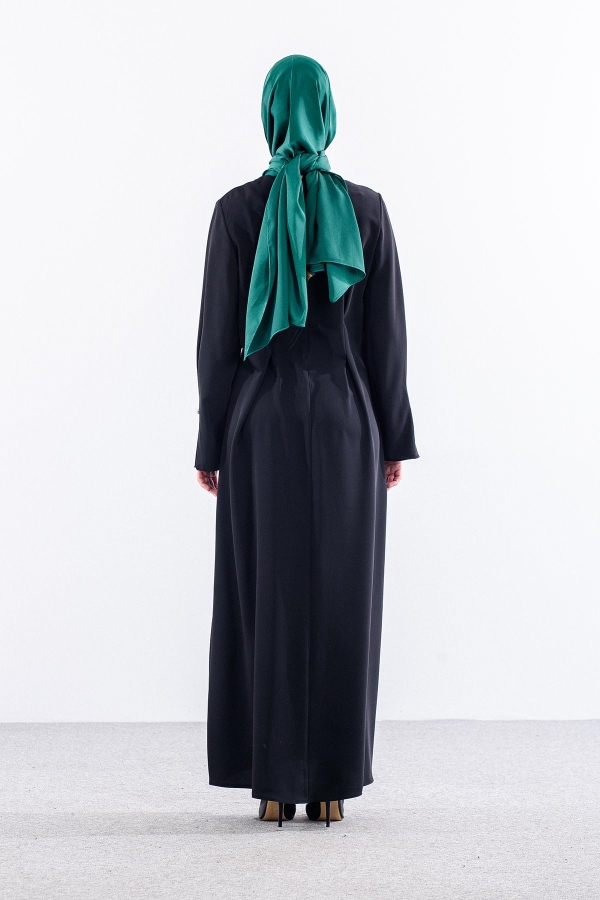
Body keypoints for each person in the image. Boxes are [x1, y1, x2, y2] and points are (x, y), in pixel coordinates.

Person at [194, 54, 418, 828]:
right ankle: (331, 786)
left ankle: (272, 783)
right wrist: (393, 437)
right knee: (343, 596)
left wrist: (209, 443)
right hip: (349, 426)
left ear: (269, 115)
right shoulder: (368, 210)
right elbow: (387, 339)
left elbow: (216, 342)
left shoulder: (236, 211)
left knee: (266, 596)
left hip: (258, 425)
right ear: (327, 113)